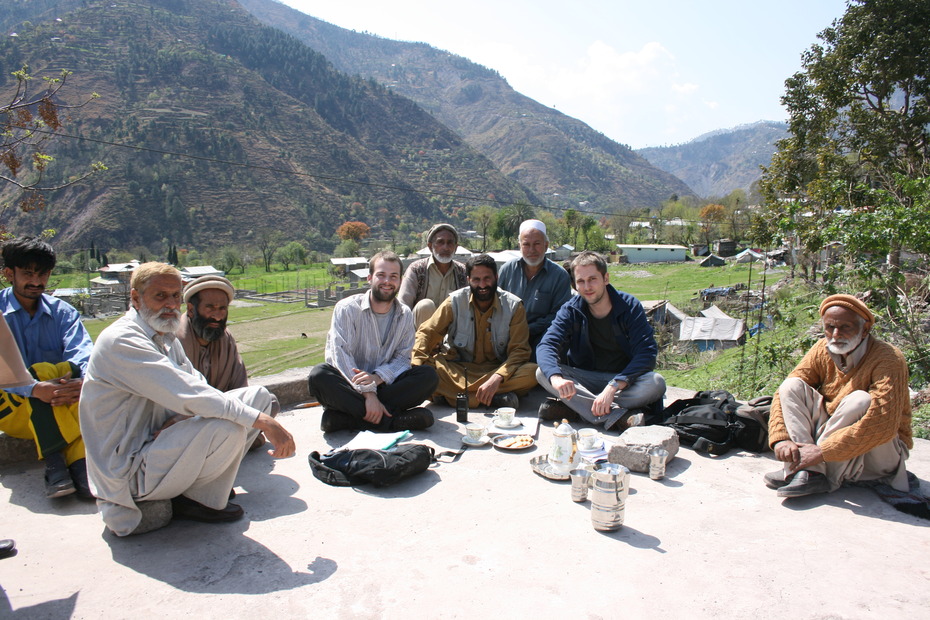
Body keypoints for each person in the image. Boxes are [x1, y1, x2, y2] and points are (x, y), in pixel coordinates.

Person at [79, 262, 295, 537]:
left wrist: (185, 415)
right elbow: (190, 393)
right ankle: (190, 498)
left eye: (174, 296)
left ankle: (198, 495)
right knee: (228, 425)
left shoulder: (165, 337)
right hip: (130, 469)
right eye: (160, 296)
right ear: (135, 298)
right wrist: (264, 423)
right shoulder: (122, 340)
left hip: (161, 444)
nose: (170, 304)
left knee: (258, 397)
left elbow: (197, 387)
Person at [765, 294, 912, 498]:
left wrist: (822, 452)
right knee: (791, 386)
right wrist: (781, 439)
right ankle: (810, 472)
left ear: (865, 330)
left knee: (860, 400)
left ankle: (807, 469)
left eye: (845, 327)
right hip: (833, 439)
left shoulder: (888, 359)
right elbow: (783, 393)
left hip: (877, 453)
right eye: (829, 327)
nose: (835, 334)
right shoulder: (821, 350)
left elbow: (883, 425)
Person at [0, 237, 93, 499]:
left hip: (59, 399)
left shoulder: (63, 313)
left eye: (42, 274)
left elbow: (82, 353)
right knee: (41, 372)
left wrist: (83, 379)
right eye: (27, 273)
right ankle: (65, 463)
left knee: (70, 378)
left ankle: (61, 474)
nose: (37, 281)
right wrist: (32, 388)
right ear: (9, 274)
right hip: (10, 405)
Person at [308, 251, 438, 433]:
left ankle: (345, 419)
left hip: (384, 384)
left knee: (428, 376)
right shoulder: (347, 309)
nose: (387, 281)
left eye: (393, 276)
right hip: (350, 383)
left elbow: (402, 359)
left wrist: (377, 378)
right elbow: (340, 356)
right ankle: (392, 422)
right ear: (369, 278)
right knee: (319, 375)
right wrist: (368, 394)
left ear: (400, 281)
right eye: (381, 275)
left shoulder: (405, 314)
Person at [536, 251, 666, 430]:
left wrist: (613, 387)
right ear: (575, 285)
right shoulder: (570, 310)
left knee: (656, 383)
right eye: (581, 281)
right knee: (543, 373)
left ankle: (577, 409)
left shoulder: (629, 306)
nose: (587, 286)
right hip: (586, 378)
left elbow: (647, 353)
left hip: (622, 382)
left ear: (606, 278)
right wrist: (557, 378)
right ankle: (616, 416)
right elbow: (547, 345)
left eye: (592, 279)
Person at [412, 253, 538, 409]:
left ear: (496, 277)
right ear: (468, 280)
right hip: (458, 370)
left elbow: (520, 351)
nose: (482, 285)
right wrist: (416, 367)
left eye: (487, 278)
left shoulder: (513, 306)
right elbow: (427, 332)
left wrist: (498, 377)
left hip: (496, 369)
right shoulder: (455, 301)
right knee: (426, 367)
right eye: (476, 280)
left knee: (533, 373)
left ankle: (452, 397)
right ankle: (493, 398)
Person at [177, 275, 280, 449]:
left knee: (270, 402)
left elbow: (240, 387)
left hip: (226, 412)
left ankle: (229, 444)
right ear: (191, 309)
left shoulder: (225, 337)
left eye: (222, 308)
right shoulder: (175, 340)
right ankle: (236, 444)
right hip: (188, 419)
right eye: (210, 307)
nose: (217, 316)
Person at [498, 219, 572, 356]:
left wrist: (525, 329)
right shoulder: (507, 270)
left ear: (546, 245)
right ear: (520, 246)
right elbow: (496, 304)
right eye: (526, 244)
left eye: (537, 244)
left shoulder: (559, 276)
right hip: (506, 336)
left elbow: (559, 316)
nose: (532, 250)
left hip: (540, 339)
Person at [398, 223, 467, 327]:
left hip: (451, 332)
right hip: (420, 333)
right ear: (430, 246)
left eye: (450, 243)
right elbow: (403, 306)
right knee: (425, 305)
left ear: (456, 247)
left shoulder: (462, 272)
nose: (446, 247)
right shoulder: (417, 269)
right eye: (440, 242)